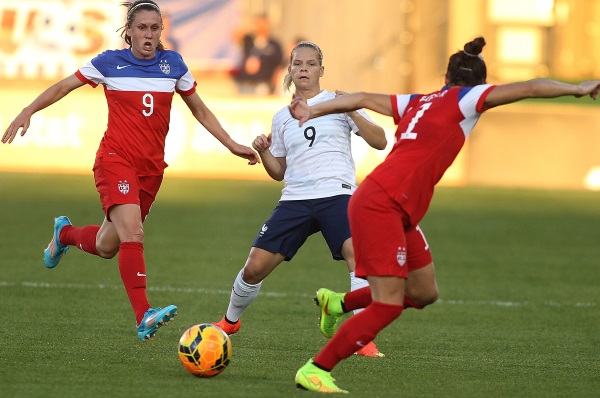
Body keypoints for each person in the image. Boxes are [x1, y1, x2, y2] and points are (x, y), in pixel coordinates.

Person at [288, 36, 600, 393]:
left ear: (445, 78)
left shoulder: (418, 101)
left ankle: (339, 302)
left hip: (394, 203)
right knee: (388, 305)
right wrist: (577, 88)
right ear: (479, 85)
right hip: (383, 203)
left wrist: (312, 110)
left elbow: (358, 98)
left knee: (423, 292)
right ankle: (316, 368)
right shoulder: (468, 100)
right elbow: (528, 87)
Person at [2, 0, 259, 342]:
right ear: (129, 31)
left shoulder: (174, 65)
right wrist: (28, 110)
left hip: (151, 170)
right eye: (142, 28)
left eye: (155, 28)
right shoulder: (109, 63)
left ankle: (64, 235)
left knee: (108, 245)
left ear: (161, 32)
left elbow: (200, 110)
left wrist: (230, 143)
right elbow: (63, 86)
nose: (148, 35)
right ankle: (144, 315)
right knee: (133, 234)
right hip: (115, 159)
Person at [213, 41, 396, 357]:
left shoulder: (340, 102)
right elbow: (278, 172)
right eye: (298, 64)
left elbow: (380, 141)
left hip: (336, 194)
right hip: (296, 199)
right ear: (290, 70)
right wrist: (263, 151)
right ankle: (230, 322)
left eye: (311, 64)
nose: (304, 69)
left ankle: (361, 337)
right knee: (254, 268)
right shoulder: (282, 118)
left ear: (321, 70)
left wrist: (351, 106)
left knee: (358, 258)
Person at [232, 13, 284, 95]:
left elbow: (279, 66)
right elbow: (235, 35)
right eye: (259, 23)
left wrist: (274, 86)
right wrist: (250, 26)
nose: (261, 27)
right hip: (244, 84)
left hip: (263, 85)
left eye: (264, 24)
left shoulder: (274, 44)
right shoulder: (248, 40)